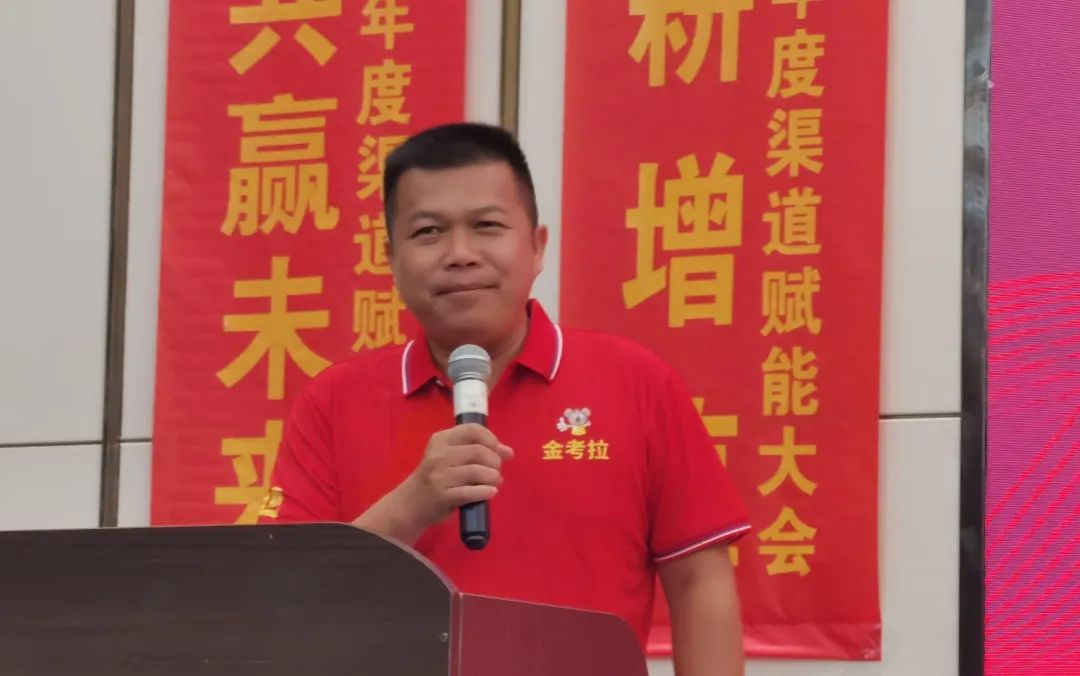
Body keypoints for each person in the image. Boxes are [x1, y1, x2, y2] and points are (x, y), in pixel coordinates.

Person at [260, 122, 750, 675]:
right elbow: (284, 594)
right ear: (391, 258)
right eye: (428, 232)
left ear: (537, 247)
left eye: (487, 226)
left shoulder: (637, 382)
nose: (460, 254)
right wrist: (409, 507)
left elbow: (700, 582)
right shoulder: (332, 402)